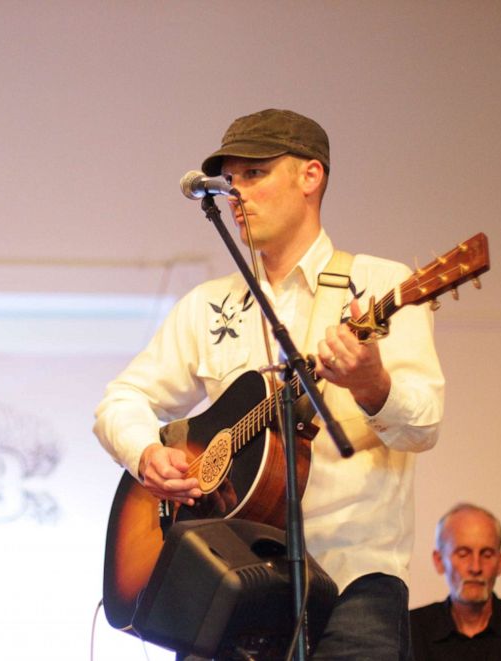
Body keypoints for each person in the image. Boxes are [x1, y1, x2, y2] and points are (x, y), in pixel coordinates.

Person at [94, 108, 445, 659]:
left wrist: (372, 382)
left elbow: (422, 424)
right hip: (229, 582)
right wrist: (145, 454)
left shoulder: (380, 285)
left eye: (254, 174)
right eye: (230, 180)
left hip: (354, 580)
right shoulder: (208, 305)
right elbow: (121, 399)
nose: (236, 193)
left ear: (311, 176)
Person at [410, 503, 501, 660]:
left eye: (487, 554)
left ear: (500, 563)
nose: (475, 567)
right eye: (463, 554)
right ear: (439, 560)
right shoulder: (411, 633)